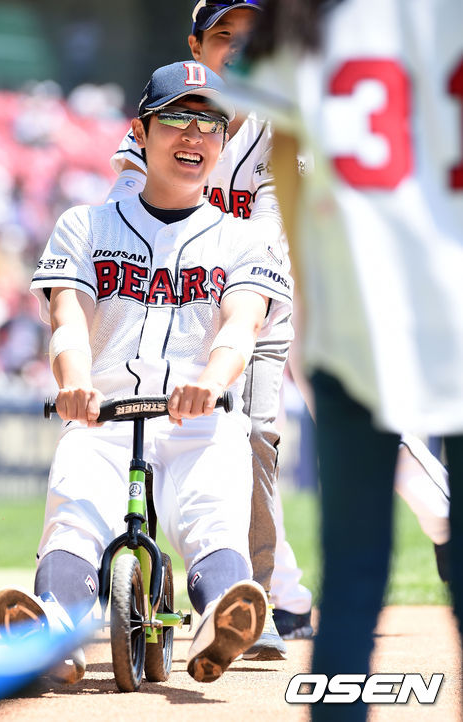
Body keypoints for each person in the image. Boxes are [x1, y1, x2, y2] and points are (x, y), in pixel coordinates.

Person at [106, 0, 452, 656]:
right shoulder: (169, 111)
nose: (239, 47)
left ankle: (439, 522)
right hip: (201, 296)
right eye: (223, 34)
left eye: (253, 33)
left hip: (300, 287)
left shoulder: (281, 119)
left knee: (305, 425)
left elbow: (272, 241)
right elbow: (126, 204)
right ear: (195, 46)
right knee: (234, 438)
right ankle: (282, 595)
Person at [0, 60, 295, 686]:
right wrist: (73, 383)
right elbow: (68, 321)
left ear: (224, 139)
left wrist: (212, 382)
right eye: (177, 119)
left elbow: (242, 325)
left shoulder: (245, 239)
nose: (194, 136)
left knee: (213, 518)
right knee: (75, 519)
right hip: (102, 414)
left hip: (200, 417)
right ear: (141, 130)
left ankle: (221, 616)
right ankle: (53, 628)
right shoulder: (85, 225)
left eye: (210, 124)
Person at [235, 0, 463, 718]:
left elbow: (286, 157)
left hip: (351, 307)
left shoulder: (305, 17)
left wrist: (308, 289)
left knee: (354, 574)